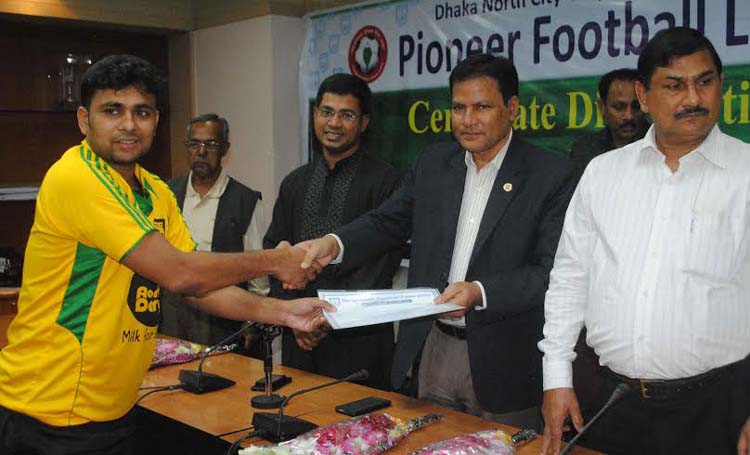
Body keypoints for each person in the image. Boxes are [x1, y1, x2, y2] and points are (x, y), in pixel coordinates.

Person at [0, 54, 331, 455]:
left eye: (142, 112)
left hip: (113, 408)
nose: (128, 124)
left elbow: (199, 289)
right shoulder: (75, 178)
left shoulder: (155, 190)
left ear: (156, 122)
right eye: (112, 111)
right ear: (84, 120)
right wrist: (273, 260)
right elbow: (181, 274)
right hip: (49, 413)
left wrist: (283, 312)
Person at [295, 54, 576, 428]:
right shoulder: (434, 162)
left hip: (504, 359)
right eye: (459, 107)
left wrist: (479, 291)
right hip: (433, 347)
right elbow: (387, 221)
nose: (467, 119)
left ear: (512, 108)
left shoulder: (551, 174)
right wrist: (335, 243)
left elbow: (549, 273)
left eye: (481, 107)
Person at [539, 27, 750, 455]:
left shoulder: (745, 173)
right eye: (674, 85)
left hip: (716, 408)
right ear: (643, 94)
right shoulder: (603, 173)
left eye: (704, 81)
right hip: (608, 398)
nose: (693, 97)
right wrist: (556, 377)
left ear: (721, 86)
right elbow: (570, 278)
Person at [264, 73, 402, 390]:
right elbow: (275, 250)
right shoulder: (294, 182)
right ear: (314, 115)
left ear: (364, 122)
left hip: (358, 339)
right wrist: (293, 315)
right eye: (326, 112)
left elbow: (382, 261)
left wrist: (326, 319)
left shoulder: (386, 181)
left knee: (359, 434)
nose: (334, 123)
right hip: (298, 337)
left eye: (347, 114)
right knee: (298, 426)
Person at [160, 113, 269, 347]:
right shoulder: (165, 193)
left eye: (210, 144)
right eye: (194, 144)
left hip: (224, 319)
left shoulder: (245, 200)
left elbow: (258, 270)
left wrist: (251, 320)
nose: (201, 151)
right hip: (172, 317)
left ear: (225, 149)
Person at [569, 68, 649, 175]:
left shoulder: (662, 146)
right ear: (602, 107)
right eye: (619, 107)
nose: (629, 116)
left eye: (636, 107)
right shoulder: (585, 150)